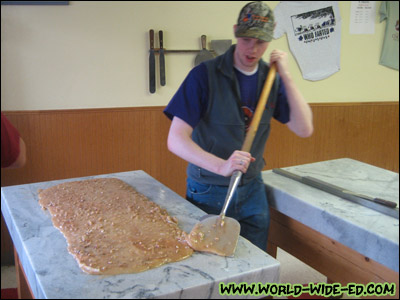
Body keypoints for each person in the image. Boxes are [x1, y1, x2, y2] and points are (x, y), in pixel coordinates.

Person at [163, 1, 313, 251]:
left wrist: (286, 76)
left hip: (253, 188)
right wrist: (221, 165)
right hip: (208, 188)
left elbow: (304, 128)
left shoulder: (270, 78)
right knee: (210, 266)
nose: (253, 49)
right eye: (247, 39)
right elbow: (176, 139)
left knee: (255, 267)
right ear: (236, 31)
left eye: (261, 42)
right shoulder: (204, 75)